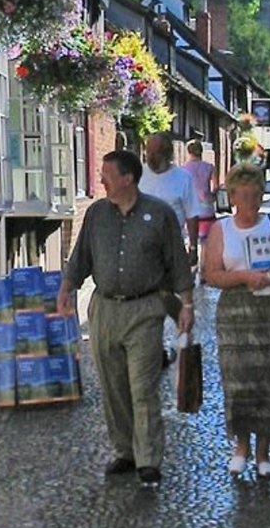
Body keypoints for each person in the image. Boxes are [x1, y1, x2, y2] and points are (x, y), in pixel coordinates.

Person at [58, 149, 194, 488]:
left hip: (145, 309)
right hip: (104, 309)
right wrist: (67, 288)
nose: (101, 180)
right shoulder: (95, 215)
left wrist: (186, 306)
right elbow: (81, 258)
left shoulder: (159, 214)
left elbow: (177, 263)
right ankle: (125, 451)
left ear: (127, 178)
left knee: (142, 386)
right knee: (113, 386)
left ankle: (148, 458)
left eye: (106, 174)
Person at [199, 162, 270, 478]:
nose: (250, 201)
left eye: (256, 194)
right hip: (235, 313)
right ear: (232, 196)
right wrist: (244, 276)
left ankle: (264, 453)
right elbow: (212, 274)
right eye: (243, 195)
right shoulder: (222, 229)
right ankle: (241, 448)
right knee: (239, 382)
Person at [138, 131, 200, 366]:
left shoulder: (182, 178)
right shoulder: (138, 175)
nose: (150, 157)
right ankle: (156, 348)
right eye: (148, 152)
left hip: (171, 248)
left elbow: (193, 214)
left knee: (163, 295)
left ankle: (183, 326)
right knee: (149, 297)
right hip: (142, 248)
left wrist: (193, 246)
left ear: (168, 153)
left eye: (156, 153)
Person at [183, 140, 217, 251]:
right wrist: (213, 195)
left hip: (191, 208)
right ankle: (203, 265)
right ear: (201, 151)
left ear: (188, 152)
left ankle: (193, 262)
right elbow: (215, 187)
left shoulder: (183, 170)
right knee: (205, 242)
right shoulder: (209, 167)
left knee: (191, 239)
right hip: (207, 207)